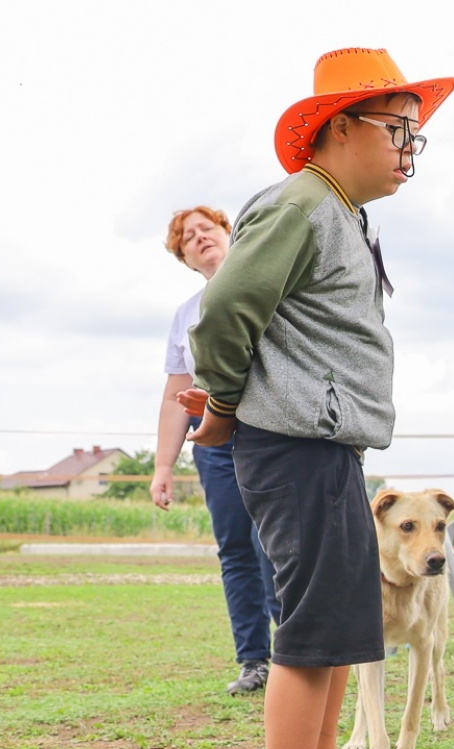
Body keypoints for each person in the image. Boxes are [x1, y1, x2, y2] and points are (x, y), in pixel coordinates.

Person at [189, 47, 454, 749]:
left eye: (416, 134)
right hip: (291, 445)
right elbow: (225, 307)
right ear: (341, 127)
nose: (411, 149)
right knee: (309, 620)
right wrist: (227, 405)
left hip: (332, 447)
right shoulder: (299, 204)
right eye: (397, 130)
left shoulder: (345, 213)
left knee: (345, 610)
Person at [152, 206, 279, 696]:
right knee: (236, 549)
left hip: (267, 433)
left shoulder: (265, 283)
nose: (200, 237)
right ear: (184, 256)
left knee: (274, 544)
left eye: (208, 228)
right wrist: (163, 466)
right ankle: (254, 660)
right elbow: (173, 396)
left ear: (230, 233)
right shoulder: (186, 315)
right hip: (214, 445)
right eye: (188, 236)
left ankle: (295, 651)